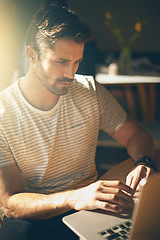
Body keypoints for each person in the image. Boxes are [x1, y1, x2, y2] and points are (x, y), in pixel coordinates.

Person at [0, 4, 157, 240]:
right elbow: (10, 204)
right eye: (61, 61)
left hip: (90, 206)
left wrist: (143, 161)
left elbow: (136, 135)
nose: (71, 74)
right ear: (32, 55)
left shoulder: (89, 90)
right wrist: (75, 197)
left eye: (76, 62)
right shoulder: (3, 113)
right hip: (36, 217)